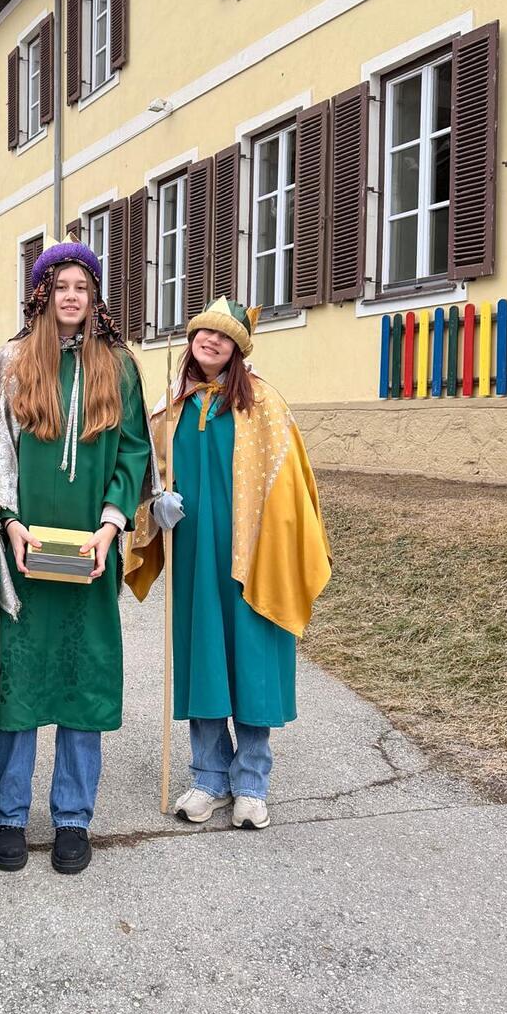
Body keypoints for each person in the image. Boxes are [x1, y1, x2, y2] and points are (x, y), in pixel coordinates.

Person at [0, 241, 156, 875]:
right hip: (24, 552)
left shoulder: (119, 366)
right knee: (21, 682)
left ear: (95, 295)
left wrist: (110, 527)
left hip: (89, 551)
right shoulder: (11, 362)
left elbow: (133, 451)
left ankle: (74, 817)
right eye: (61, 287)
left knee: (84, 681)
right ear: (43, 295)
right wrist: (10, 524)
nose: (72, 296)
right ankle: (8, 815)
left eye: (82, 286)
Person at [125, 298, 331, 829]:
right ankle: (209, 777)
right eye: (204, 333)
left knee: (252, 662)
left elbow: (290, 485)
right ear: (192, 340)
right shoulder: (170, 409)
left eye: (224, 337)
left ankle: (252, 783)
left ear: (238, 349)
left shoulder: (263, 404)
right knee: (204, 661)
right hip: (195, 556)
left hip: (252, 555)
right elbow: (149, 478)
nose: (211, 342)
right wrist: (155, 506)